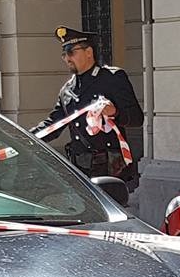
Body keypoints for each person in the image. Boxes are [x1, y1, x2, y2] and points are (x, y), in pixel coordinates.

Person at [46, 26, 144, 186]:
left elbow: (136, 118)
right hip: (80, 170)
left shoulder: (112, 78)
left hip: (109, 169)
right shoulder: (67, 90)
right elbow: (53, 125)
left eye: (71, 52)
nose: (67, 58)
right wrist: (21, 138)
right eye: (64, 54)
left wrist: (115, 112)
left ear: (89, 52)